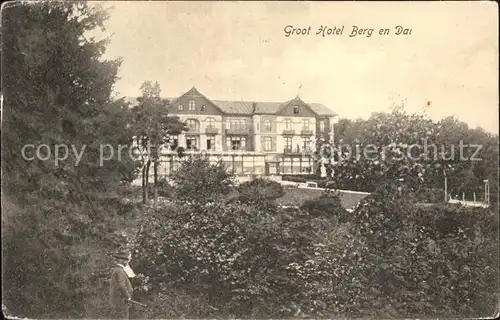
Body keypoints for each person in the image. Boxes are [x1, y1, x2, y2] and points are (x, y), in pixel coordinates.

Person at [109, 250, 135, 319]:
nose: (128, 262)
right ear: (124, 261)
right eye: (127, 260)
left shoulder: (118, 270)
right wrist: (127, 296)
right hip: (121, 301)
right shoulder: (119, 271)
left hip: (119, 300)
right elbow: (122, 285)